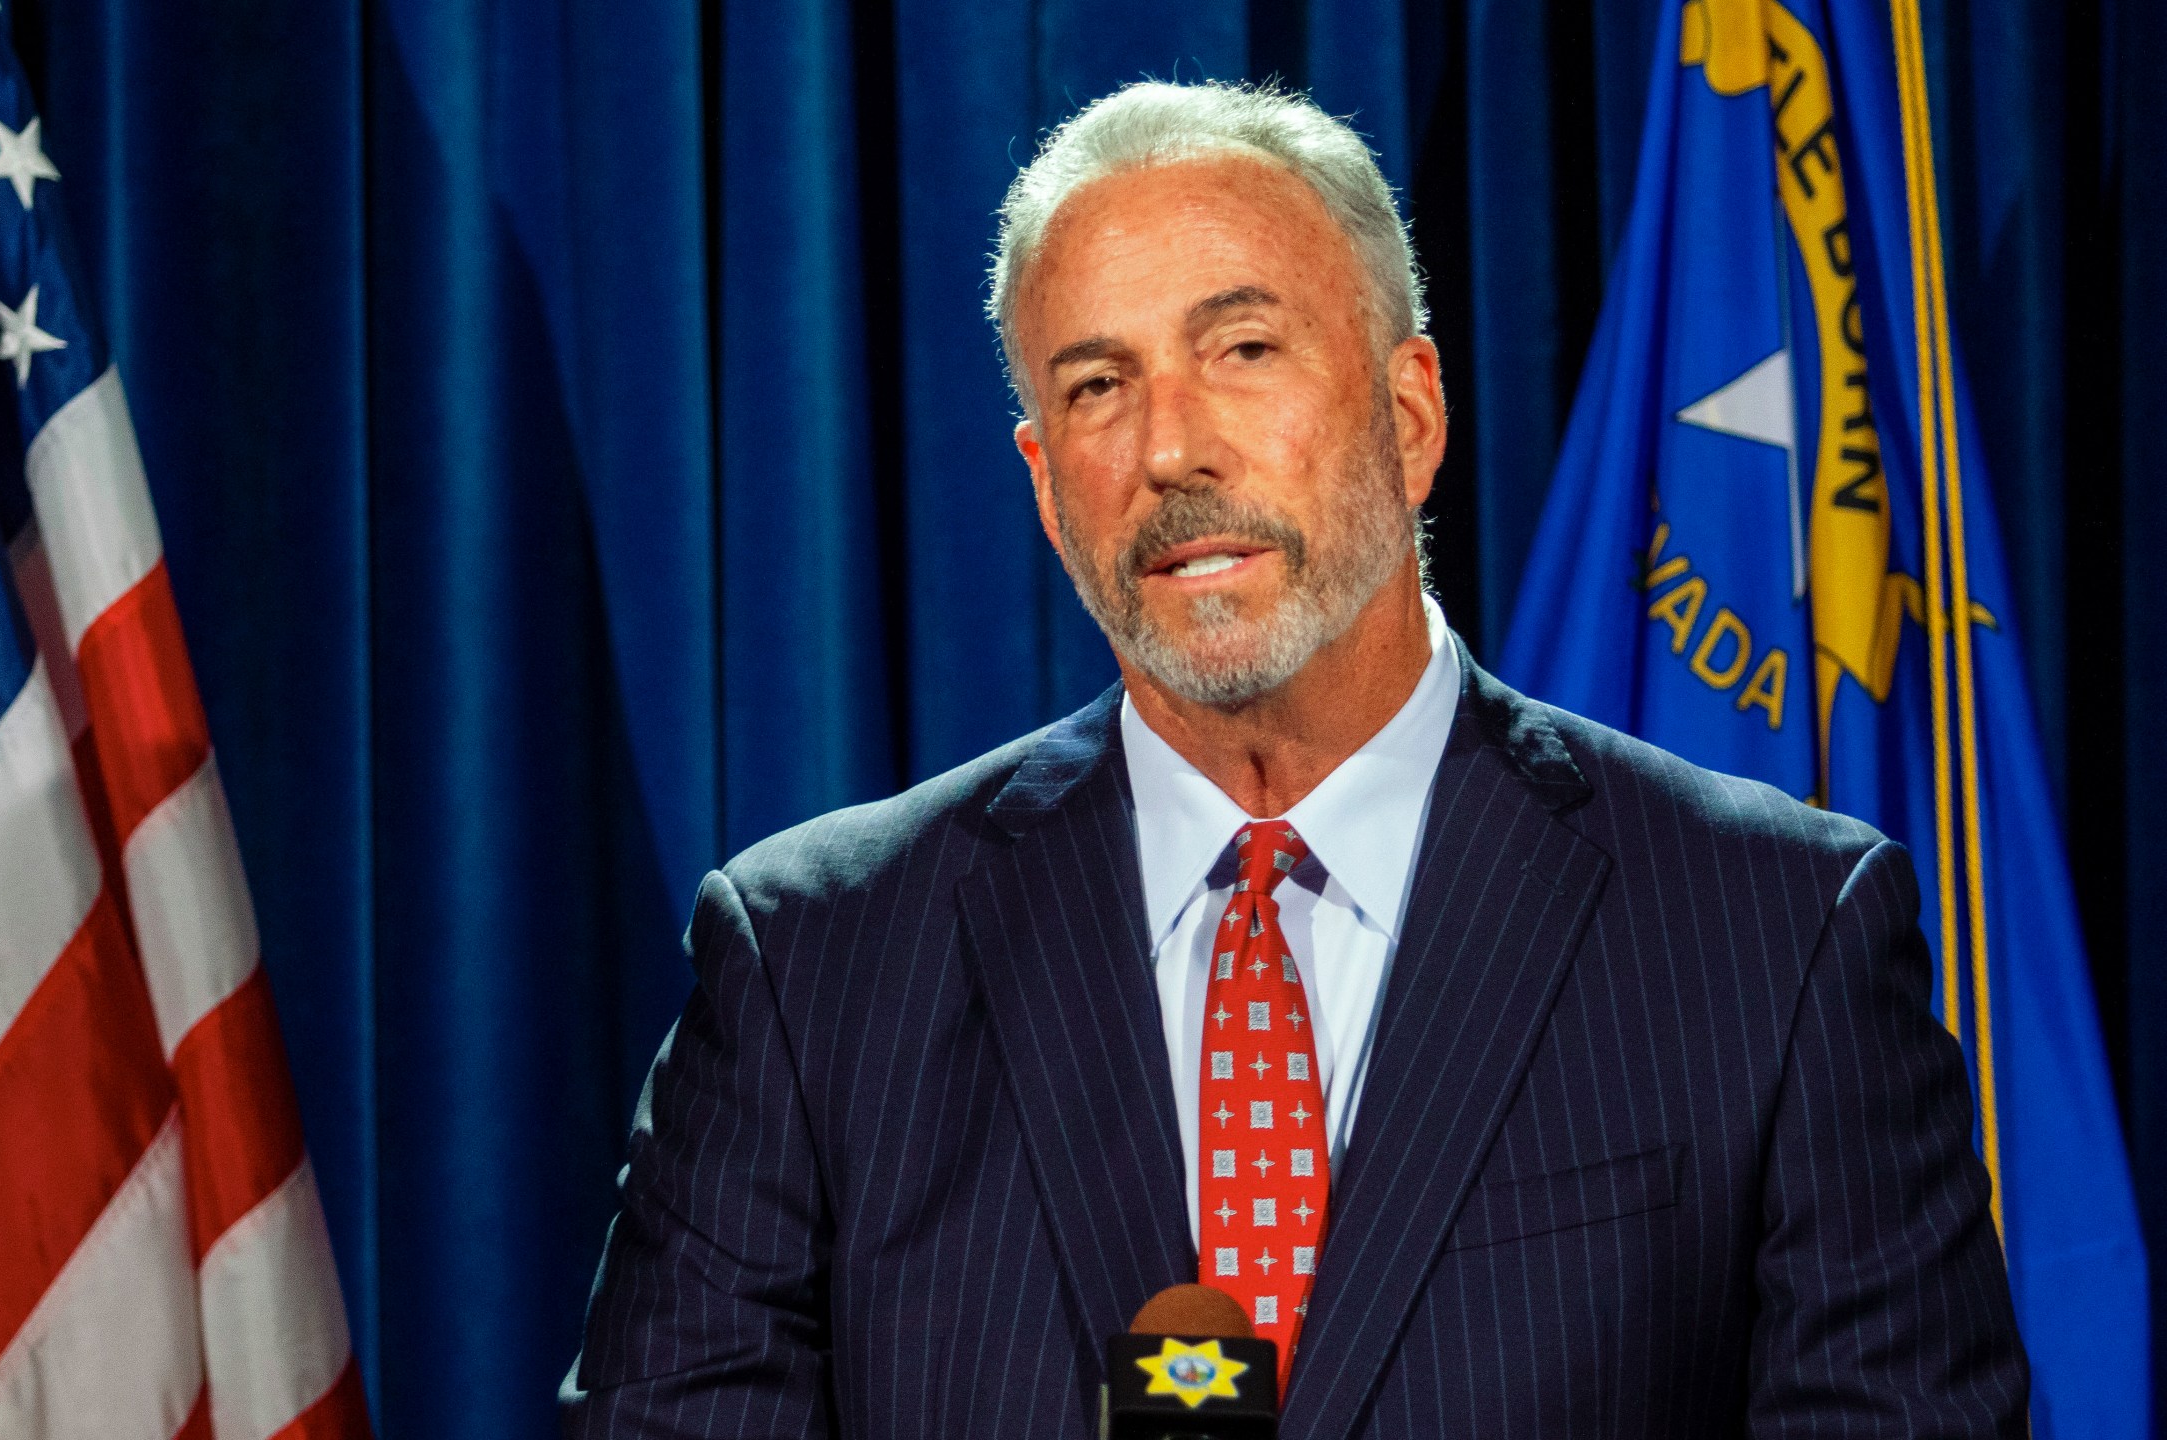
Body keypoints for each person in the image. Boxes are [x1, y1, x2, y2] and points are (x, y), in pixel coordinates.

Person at [559, 80, 2026, 1437]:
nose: (1170, 447)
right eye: (1096, 386)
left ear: (1409, 414)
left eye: (1242, 349)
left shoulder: (1771, 939)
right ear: (1049, 493)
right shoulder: (816, 966)